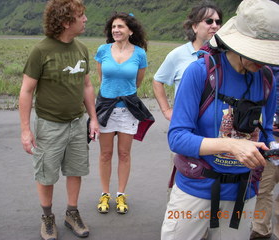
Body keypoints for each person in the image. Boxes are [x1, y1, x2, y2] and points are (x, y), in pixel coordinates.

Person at [161, 0, 279, 239]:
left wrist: (269, 149)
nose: (263, 61)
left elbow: (265, 131)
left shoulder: (266, 78)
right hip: (196, 190)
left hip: (243, 191)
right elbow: (177, 138)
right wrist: (231, 144)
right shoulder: (200, 72)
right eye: (257, 52)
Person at [19, 0, 99, 239]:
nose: (85, 19)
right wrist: (25, 130)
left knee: (75, 171)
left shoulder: (81, 49)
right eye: (81, 16)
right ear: (66, 22)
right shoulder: (41, 51)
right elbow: (26, 91)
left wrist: (93, 118)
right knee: (46, 174)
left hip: (76, 123)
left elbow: (86, 85)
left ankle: (71, 214)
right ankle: (47, 218)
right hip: (49, 125)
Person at [94, 12, 153, 214]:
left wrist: (122, 95)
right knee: (105, 154)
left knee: (124, 154)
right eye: (113, 27)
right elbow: (102, 80)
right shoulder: (102, 50)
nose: (116, 30)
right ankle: (104, 194)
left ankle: (120, 195)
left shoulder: (139, 53)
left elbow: (137, 82)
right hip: (106, 108)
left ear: (130, 30)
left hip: (128, 109)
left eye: (120, 26)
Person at [153, 1, 223, 121]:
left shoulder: (224, 55)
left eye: (218, 22)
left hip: (215, 125)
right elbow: (157, 81)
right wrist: (166, 111)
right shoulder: (177, 54)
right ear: (195, 26)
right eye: (209, 21)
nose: (215, 25)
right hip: (186, 123)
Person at [250, 66, 279, 240]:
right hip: (271, 136)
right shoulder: (265, 67)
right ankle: (260, 232)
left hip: (270, 134)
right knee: (264, 187)